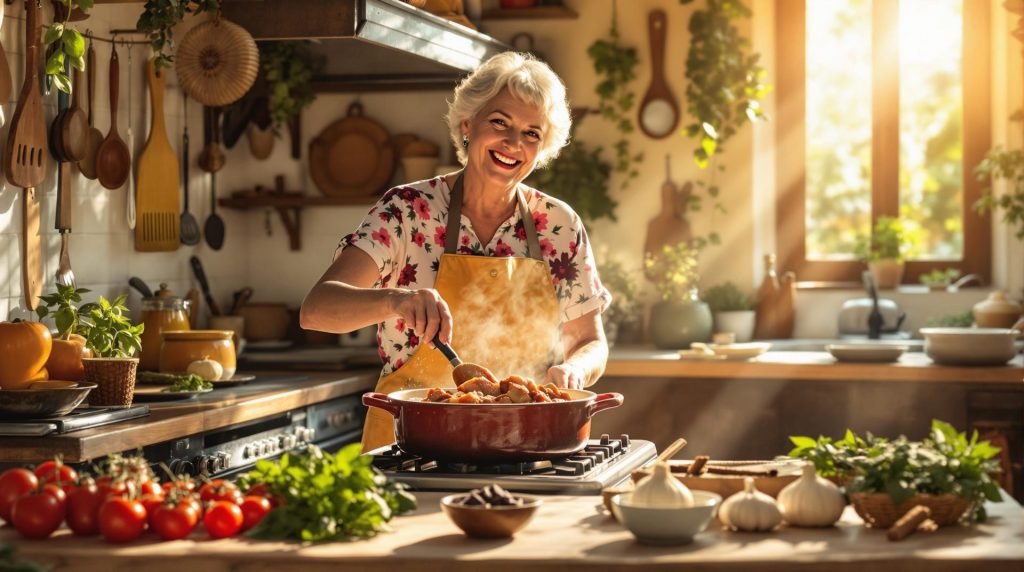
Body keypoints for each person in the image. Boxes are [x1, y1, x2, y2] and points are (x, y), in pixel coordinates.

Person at [300, 52, 612, 452]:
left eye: (532, 133)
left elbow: (590, 341)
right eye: (500, 122)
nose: (513, 144)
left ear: (543, 147)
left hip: (521, 443)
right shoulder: (408, 211)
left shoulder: (558, 225)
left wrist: (574, 370)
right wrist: (398, 300)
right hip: (407, 444)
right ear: (468, 124)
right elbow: (316, 311)